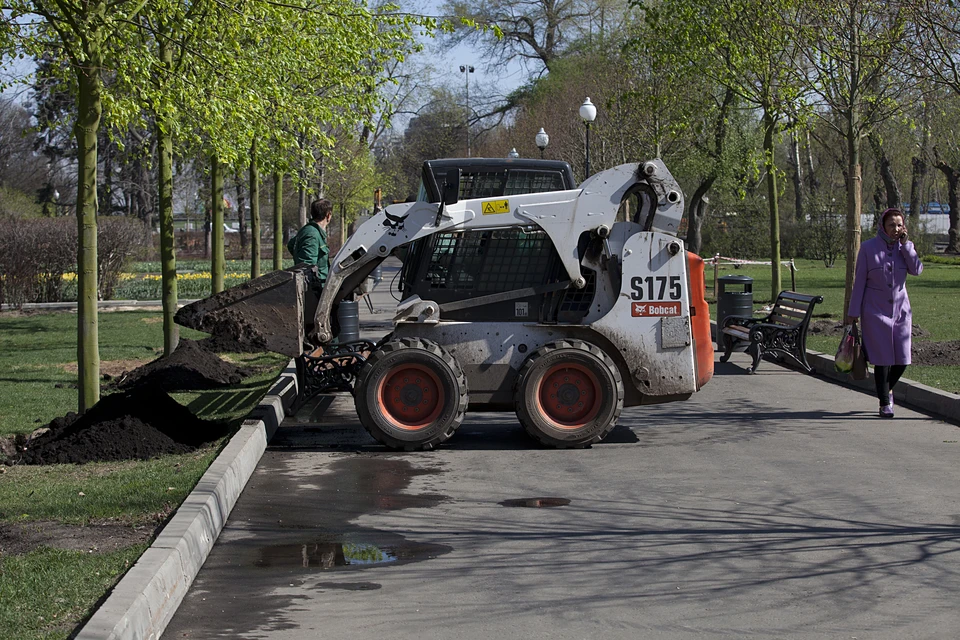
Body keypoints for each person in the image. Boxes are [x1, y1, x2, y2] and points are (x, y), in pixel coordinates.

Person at [845, 207, 923, 418]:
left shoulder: (906, 247)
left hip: (900, 312)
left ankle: (886, 388)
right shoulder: (868, 248)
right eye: (891, 225)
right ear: (883, 226)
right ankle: (884, 403)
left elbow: (917, 269)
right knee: (882, 359)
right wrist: (853, 312)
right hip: (874, 311)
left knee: (903, 359)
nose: (896, 229)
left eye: (899, 225)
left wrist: (906, 246)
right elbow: (859, 282)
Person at [288, 199, 332, 288]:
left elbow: (291, 245)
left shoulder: (309, 230)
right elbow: (308, 268)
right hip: (316, 290)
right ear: (328, 215)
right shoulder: (312, 234)